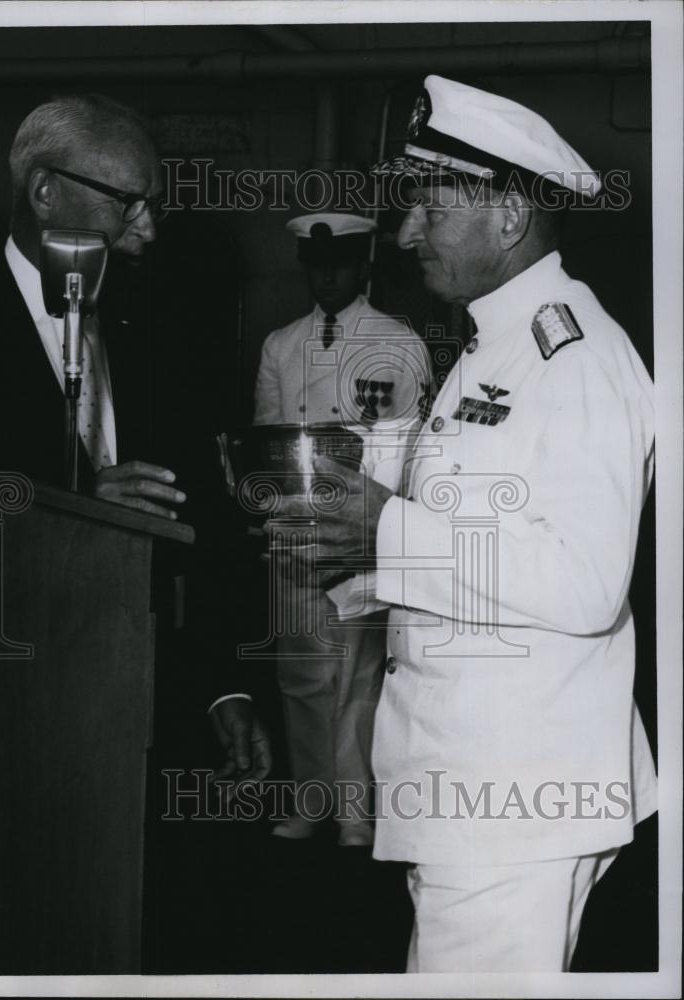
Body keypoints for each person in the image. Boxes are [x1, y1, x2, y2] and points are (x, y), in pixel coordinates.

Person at [277, 75, 657, 971]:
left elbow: (584, 580)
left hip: (513, 791)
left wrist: (386, 531)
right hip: (471, 776)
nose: (407, 235)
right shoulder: (494, 345)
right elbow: (474, 516)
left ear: (509, 217)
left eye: (431, 209)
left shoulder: (575, 358)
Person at [0, 93, 270, 782]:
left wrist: (225, 688)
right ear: (44, 191)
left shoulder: (162, 342)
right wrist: (71, 504)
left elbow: (204, 527)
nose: (148, 231)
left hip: (138, 724)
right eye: (125, 203)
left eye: (152, 206)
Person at [254, 212, 432, 845]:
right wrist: (280, 516)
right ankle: (310, 802)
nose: (326, 276)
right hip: (298, 531)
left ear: (362, 267)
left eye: (339, 264)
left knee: (358, 675)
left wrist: (381, 519)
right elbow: (270, 444)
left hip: (363, 529)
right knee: (302, 674)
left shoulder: (396, 340)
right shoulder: (280, 343)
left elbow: (407, 441)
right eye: (316, 264)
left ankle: (357, 814)